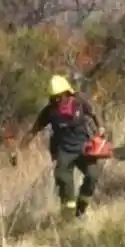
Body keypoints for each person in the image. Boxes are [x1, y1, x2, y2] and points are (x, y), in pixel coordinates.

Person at [12, 75, 105, 220]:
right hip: (63, 151)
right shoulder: (49, 111)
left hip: (84, 148)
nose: (57, 100)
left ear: (68, 93)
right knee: (63, 180)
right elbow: (33, 131)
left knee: (92, 176)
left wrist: (100, 128)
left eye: (59, 97)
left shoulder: (79, 103)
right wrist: (18, 151)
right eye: (53, 98)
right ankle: (68, 219)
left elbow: (93, 113)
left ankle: (81, 210)